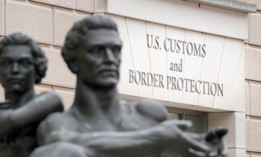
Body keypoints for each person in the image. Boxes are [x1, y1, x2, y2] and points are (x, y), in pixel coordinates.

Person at [30, 15, 227, 157]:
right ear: (73, 61)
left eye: (115, 50)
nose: (109, 59)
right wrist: (154, 138)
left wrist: (203, 148)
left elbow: (173, 146)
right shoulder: (59, 124)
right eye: (97, 51)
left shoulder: (148, 114)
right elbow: (65, 148)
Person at [0, 33, 64, 157]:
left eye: (24, 63)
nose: (15, 70)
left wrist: (14, 121)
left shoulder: (50, 105)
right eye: (6, 63)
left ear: (37, 68)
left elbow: (53, 100)